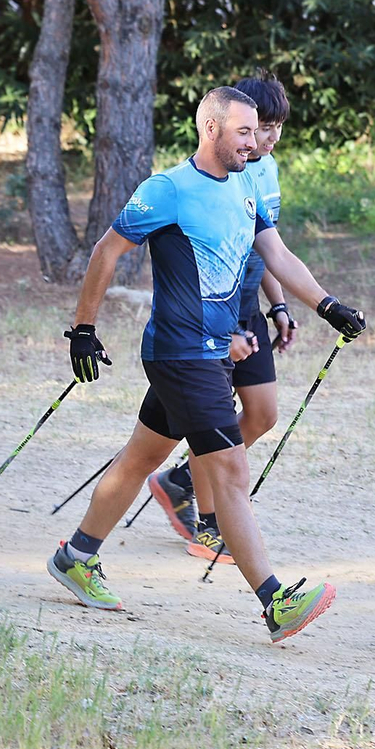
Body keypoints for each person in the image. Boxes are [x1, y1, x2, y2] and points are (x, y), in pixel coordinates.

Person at [47, 86, 367, 644]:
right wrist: (84, 330)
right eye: (244, 131)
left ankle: (76, 556)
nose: (253, 141)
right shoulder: (168, 189)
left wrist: (327, 306)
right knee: (232, 473)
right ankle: (276, 602)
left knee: (142, 456)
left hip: (212, 352)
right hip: (182, 355)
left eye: (256, 131)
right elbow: (106, 251)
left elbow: (277, 254)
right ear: (211, 129)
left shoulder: (245, 185)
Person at [147, 71, 296, 565]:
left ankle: (181, 480)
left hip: (249, 308)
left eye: (275, 127)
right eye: (260, 128)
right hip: (210, 317)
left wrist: (278, 305)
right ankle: (209, 525)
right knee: (211, 428)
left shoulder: (267, 170)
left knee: (262, 414)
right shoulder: (222, 173)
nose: (269, 138)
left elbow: (268, 248)